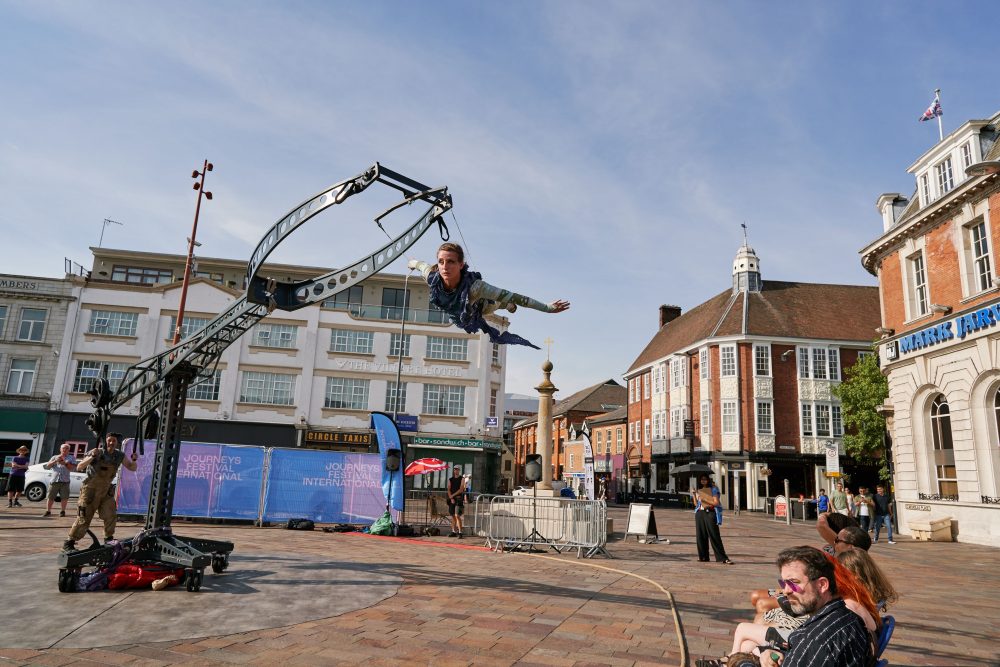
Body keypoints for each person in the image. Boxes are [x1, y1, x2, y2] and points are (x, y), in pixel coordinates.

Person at [713, 547, 873, 667]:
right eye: (784, 583)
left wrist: (742, 662)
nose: (786, 590)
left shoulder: (814, 642)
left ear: (822, 585)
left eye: (794, 583)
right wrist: (769, 652)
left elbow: (809, 652)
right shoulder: (848, 617)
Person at [409, 243, 569, 349]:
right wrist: (412, 262)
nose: (445, 267)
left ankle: (507, 307)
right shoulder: (432, 277)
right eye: (441, 261)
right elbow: (421, 265)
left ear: (461, 265)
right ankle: (506, 306)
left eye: (450, 262)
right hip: (459, 314)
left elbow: (517, 297)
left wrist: (547, 308)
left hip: (481, 306)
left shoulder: (476, 287)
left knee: (500, 303)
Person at [63, 433, 138, 551]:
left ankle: (108, 539)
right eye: (109, 440)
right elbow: (79, 467)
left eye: (114, 441)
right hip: (90, 491)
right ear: (105, 441)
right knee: (84, 518)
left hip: (105, 491)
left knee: (111, 514)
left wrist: (134, 460)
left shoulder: (119, 455)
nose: (111, 443)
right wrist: (92, 456)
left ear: (117, 442)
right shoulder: (96, 451)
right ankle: (69, 543)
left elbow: (132, 467)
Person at [837, 547, 899, 613]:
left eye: (840, 571)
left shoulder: (854, 598)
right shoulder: (874, 592)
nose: (836, 574)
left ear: (856, 574)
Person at [693, 474, 733, 564]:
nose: (703, 481)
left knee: (714, 535)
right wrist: (694, 494)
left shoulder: (713, 489)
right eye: (701, 479)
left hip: (710, 513)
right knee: (700, 536)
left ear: (708, 480)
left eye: (705, 479)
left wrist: (705, 499)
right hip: (699, 513)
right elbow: (696, 504)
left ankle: (722, 557)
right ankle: (703, 557)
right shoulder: (699, 490)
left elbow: (716, 503)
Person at [43, 443, 78, 517]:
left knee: (64, 497)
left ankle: (62, 511)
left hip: (65, 481)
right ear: (60, 449)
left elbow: (72, 468)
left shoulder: (72, 458)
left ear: (69, 450)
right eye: (63, 448)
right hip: (54, 480)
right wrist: (55, 461)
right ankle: (48, 511)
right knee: (50, 497)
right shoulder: (54, 457)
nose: (65, 450)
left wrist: (65, 463)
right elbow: (47, 466)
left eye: (66, 448)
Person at [446, 466, 465, 538]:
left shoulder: (462, 479)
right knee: (453, 516)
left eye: (457, 469)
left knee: (457, 515)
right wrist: (451, 498)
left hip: (458, 499)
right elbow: (448, 489)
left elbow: (461, 489)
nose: (456, 471)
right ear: (453, 471)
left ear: (459, 470)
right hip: (452, 500)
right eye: (455, 469)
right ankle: (453, 531)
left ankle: (460, 532)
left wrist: (452, 496)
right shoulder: (450, 479)